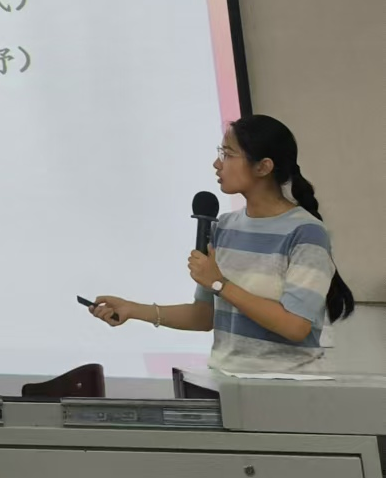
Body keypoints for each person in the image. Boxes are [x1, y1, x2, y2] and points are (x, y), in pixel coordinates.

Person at [91, 115, 355, 373]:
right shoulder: (224, 226)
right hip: (227, 380)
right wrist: (133, 310)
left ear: (263, 167)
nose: (217, 164)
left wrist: (220, 284)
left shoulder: (306, 232)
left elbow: (296, 327)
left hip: (286, 387)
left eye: (228, 154)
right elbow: (204, 315)